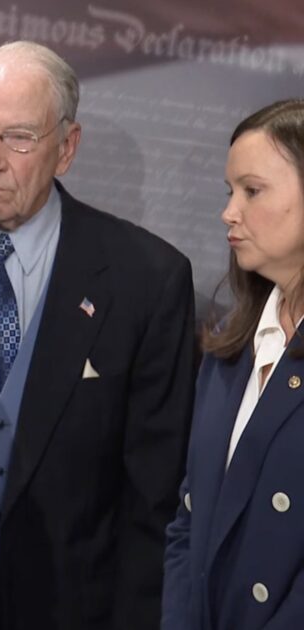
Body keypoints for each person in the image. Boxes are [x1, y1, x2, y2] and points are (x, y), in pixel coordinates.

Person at [0, 41, 195, 629]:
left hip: (66, 609)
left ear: (67, 148)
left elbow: (152, 501)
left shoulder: (146, 279)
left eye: (19, 138)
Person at [163, 99, 304, 630]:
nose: (229, 211)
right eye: (230, 192)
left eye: (253, 190)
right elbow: (188, 523)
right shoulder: (227, 348)